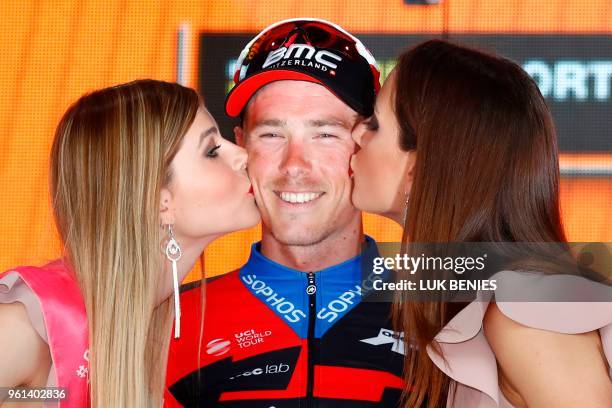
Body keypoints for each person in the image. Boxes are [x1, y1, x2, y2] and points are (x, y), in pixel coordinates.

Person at [350, 39, 612, 407]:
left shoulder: (523, 314)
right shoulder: (485, 300)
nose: (356, 135)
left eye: (375, 124)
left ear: (418, 169)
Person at [165, 19, 406, 407]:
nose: (294, 166)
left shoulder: (444, 308)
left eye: (325, 134)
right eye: (272, 134)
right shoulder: (167, 323)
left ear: (366, 144)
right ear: (241, 145)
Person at [0, 79, 260, 407]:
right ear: (157, 201)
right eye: (211, 151)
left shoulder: (152, 324)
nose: (242, 154)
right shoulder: (30, 328)